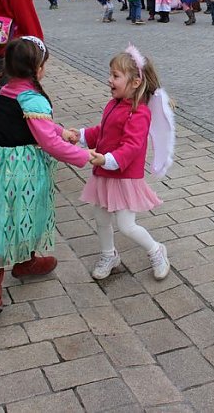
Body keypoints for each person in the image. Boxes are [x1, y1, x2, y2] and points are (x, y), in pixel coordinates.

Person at [0, 37, 93, 318]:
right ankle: (11, 273)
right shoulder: (32, 97)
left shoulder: (6, 88)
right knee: (22, 213)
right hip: (23, 168)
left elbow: (43, 128)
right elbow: (48, 143)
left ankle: (3, 280)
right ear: (36, 67)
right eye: (44, 64)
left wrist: (61, 130)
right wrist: (85, 156)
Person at [63, 46, 174, 282]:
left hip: (123, 176)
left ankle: (156, 250)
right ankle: (109, 255)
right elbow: (103, 131)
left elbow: (132, 147)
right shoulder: (113, 104)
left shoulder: (139, 113)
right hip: (104, 173)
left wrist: (108, 159)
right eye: (110, 74)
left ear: (134, 83)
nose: (109, 80)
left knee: (126, 225)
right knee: (101, 218)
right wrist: (81, 135)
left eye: (115, 76)